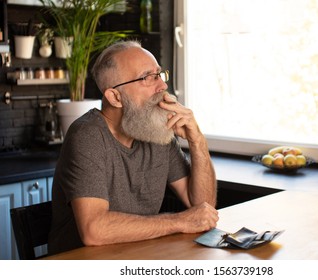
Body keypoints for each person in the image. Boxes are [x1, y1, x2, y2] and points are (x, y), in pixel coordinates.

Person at [48, 40, 218, 255]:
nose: (163, 86)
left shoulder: (156, 130)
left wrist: (197, 141)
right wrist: (179, 221)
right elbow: (94, 231)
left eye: (159, 74)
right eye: (148, 78)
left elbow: (203, 207)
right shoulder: (87, 135)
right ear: (115, 97)